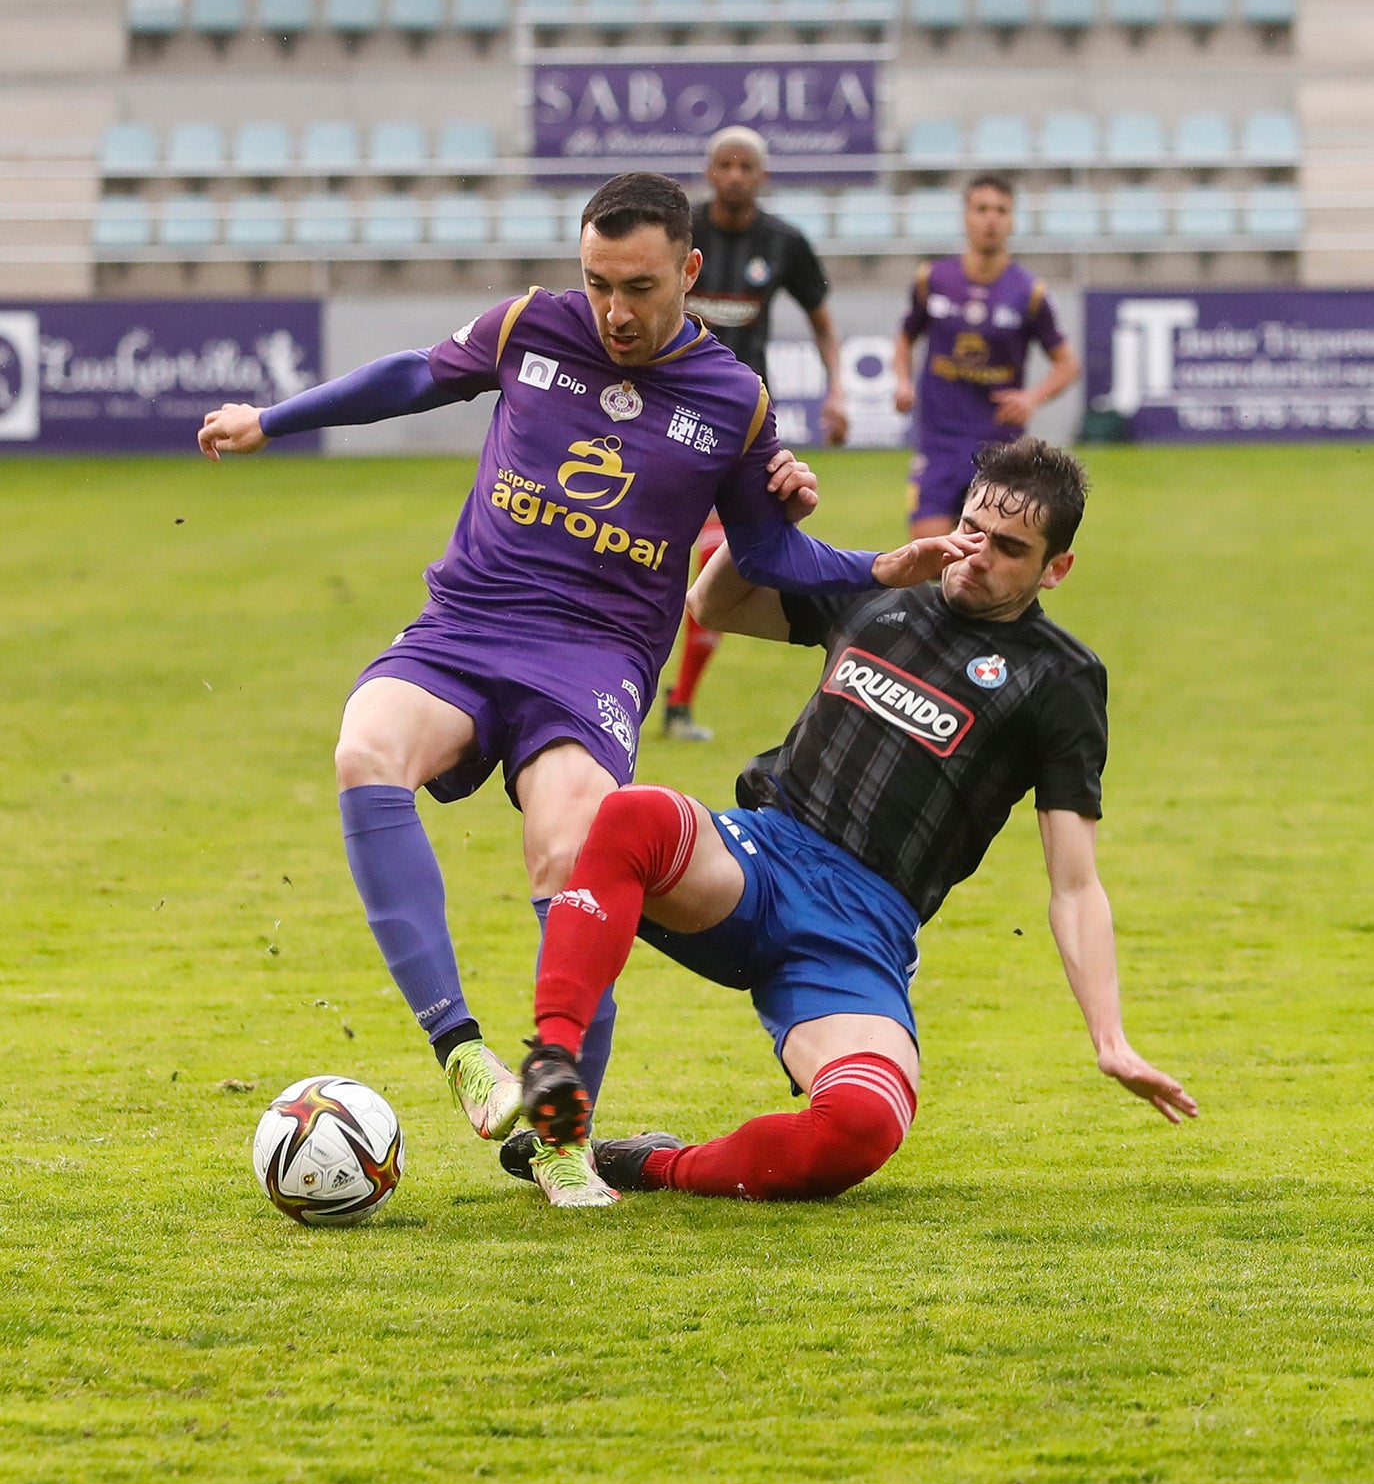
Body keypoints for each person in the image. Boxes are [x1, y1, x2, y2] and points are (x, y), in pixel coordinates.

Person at [196, 171, 936, 1200]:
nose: (615, 311)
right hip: (467, 622)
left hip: (593, 659)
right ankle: (462, 1052)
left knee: (572, 841)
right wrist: (273, 420)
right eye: (596, 283)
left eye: (637, 286)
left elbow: (770, 557)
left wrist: (875, 567)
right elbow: (415, 375)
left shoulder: (733, 400)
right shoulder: (530, 328)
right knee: (364, 746)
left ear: (689, 271)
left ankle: (561, 1135)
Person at [504, 437, 1197, 1207]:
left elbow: (1075, 883)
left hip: (862, 932)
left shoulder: (1060, 677)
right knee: (633, 815)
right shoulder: (885, 588)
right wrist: (760, 523)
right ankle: (554, 1061)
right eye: (972, 530)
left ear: (1054, 568)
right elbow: (714, 604)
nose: (977, 556)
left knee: (863, 1124)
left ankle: (647, 1164)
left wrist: (1111, 1040)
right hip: (758, 862)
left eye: (1010, 548)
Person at [664, 126, 848, 742]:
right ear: (709, 172)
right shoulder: (678, 233)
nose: (736, 175)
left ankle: (681, 700)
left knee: (724, 553)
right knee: (654, 555)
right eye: (725, 164)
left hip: (743, 423)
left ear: (762, 176)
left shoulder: (784, 242)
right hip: (669, 410)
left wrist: (838, 390)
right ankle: (655, 690)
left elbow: (822, 322)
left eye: (748, 165)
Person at [893, 172, 1081, 541]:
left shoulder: (1029, 292)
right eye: (982, 209)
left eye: (1001, 210)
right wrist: (901, 381)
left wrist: (1031, 398)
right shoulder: (933, 279)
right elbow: (904, 338)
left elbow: (1068, 364)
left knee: (989, 554)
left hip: (999, 444)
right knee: (929, 550)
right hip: (939, 440)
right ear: (966, 216)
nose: (991, 219)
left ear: (1012, 220)